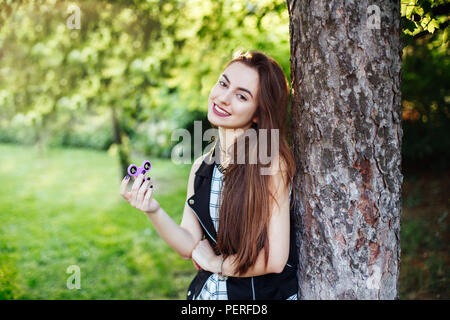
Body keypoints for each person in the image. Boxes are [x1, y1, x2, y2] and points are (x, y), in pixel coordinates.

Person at [120, 50, 298, 300]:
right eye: (223, 83)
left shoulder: (270, 165)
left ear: (258, 113)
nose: (223, 98)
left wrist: (216, 263)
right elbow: (189, 245)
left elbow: (275, 259)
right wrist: (153, 210)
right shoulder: (202, 167)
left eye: (241, 96)